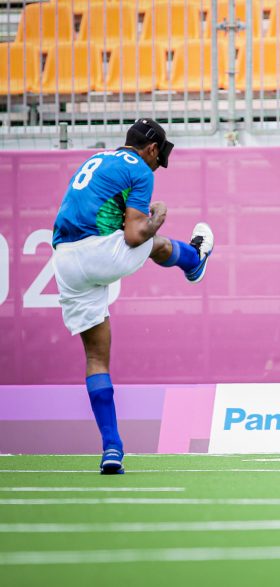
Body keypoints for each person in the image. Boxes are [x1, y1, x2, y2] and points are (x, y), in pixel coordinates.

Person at [51, 119, 214, 474]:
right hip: (99, 254)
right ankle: (194, 260)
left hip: (64, 260)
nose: (159, 164)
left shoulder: (97, 160)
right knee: (156, 243)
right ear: (152, 148)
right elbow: (134, 236)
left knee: (96, 359)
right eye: (160, 156)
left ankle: (112, 448)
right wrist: (158, 215)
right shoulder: (140, 168)